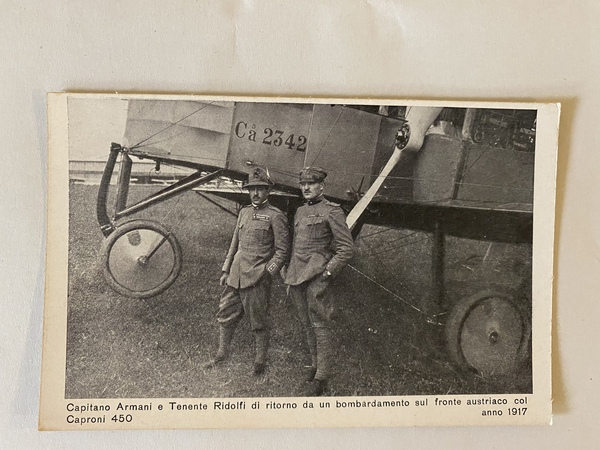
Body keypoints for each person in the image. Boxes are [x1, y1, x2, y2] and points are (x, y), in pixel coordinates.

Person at [205, 167, 289, 375]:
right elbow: (235, 244)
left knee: (258, 321)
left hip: (257, 277)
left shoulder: (275, 216)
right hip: (235, 274)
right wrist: (226, 270)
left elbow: (282, 252)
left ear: (268, 191)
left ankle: (259, 363)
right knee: (225, 313)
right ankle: (221, 354)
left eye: (260, 189)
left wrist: (267, 273)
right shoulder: (243, 212)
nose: (256, 193)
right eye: (252, 189)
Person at [285, 167, 355, 395]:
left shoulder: (332, 211)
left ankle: (322, 377)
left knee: (320, 325)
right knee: (306, 323)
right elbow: (298, 246)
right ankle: (315, 366)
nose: (306, 188)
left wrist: (328, 272)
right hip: (297, 275)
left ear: (321, 186)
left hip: (316, 275)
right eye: (303, 183)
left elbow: (346, 248)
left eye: (311, 184)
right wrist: (289, 272)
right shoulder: (300, 211)